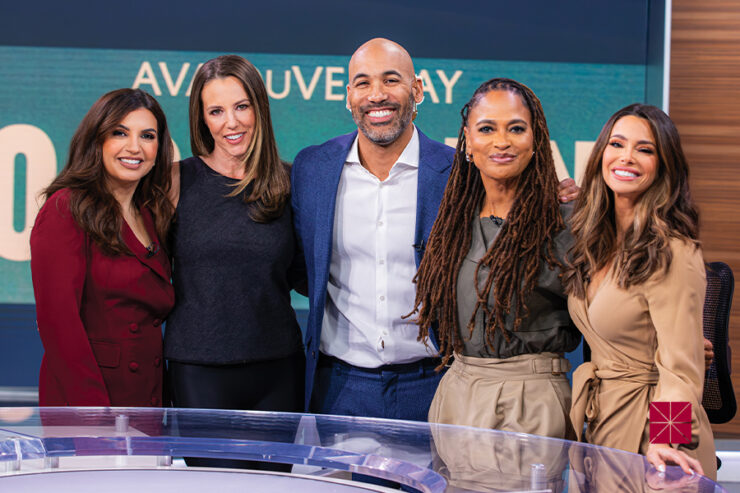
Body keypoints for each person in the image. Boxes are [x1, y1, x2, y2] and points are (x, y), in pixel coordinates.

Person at [292, 39, 578, 420]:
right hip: (338, 388)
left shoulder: (462, 175)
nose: (377, 95)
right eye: (363, 83)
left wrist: (562, 201)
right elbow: (298, 267)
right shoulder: (313, 168)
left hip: (436, 383)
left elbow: (516, 195)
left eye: (391, 80)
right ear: (348, 96)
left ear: (418, 89)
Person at [411, 78, 580, 438]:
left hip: (531, 402)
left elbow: (638, 344)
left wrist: (668, 433)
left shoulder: (569, 220)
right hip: (456, 395)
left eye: (516, 129)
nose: (501, 141)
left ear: (536, 139)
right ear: (467, 141)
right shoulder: (451, 218)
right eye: (487, 129)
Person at [164, 55, 304, 468]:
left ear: (259, 108)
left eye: (242, 106)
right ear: (202, 119)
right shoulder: (175, 181)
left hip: (278, 371)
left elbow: (307, 276)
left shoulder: (289, 181)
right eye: (217, 111)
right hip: (199, 372)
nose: (232, 122)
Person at [564, 103, 716, 479]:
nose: (627, 157)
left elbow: (680, 368)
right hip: (603, 423)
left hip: (653, 432)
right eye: (617, 144)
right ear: (601, 154)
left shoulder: (674, 250)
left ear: (664, 165)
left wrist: (667, 439)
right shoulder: (595, 239)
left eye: (645, 149)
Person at [31, 88, 175, 407]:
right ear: (97, 139)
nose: (134, 147)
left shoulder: (152, 214)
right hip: (90, 401)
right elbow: (59, 324)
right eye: (119, 132)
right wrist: (94, 417)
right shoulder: (66, 209)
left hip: (146, 398)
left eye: (148, 136)